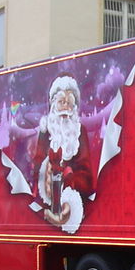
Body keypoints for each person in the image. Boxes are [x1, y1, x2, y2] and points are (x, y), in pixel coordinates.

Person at [31, 74, 94, 234]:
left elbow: (87, 177)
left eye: (69, 103)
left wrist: (70, 179)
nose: (65, 107)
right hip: (46, 211)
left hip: (75, 209)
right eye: (61, 102)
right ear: (53, 105)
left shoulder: (80, 132)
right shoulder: (46, 131)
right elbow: (37, 167)